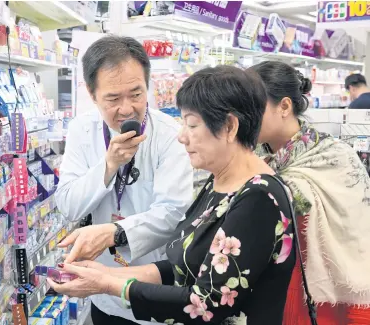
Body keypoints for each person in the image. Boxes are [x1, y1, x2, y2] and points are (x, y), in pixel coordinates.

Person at [49, 65, 296, 325]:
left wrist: (109, 284)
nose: (181, 137)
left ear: (230, 127)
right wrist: (107, 275)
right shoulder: (220, 182)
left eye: (191, 124)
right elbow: (184, 266)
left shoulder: (258, 198)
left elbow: (206, 305)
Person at [54, 35, 193, 325]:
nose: (127, 108)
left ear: (148, 86)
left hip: (155, 287)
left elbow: (172, 213)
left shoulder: (170, 135)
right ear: (92, 96)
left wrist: (113, 233)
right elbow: (68, 204)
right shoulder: (82, 129)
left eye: (136, 93)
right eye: (113, 99)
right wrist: (109, 164)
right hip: (102, 287)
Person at [249, 61, 370, 325]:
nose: (245, 117)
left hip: (324, 297)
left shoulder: (334, 156)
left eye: (254, 107)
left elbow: (357, 236)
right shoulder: (252, 156)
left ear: (284, 106)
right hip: (267, 291)